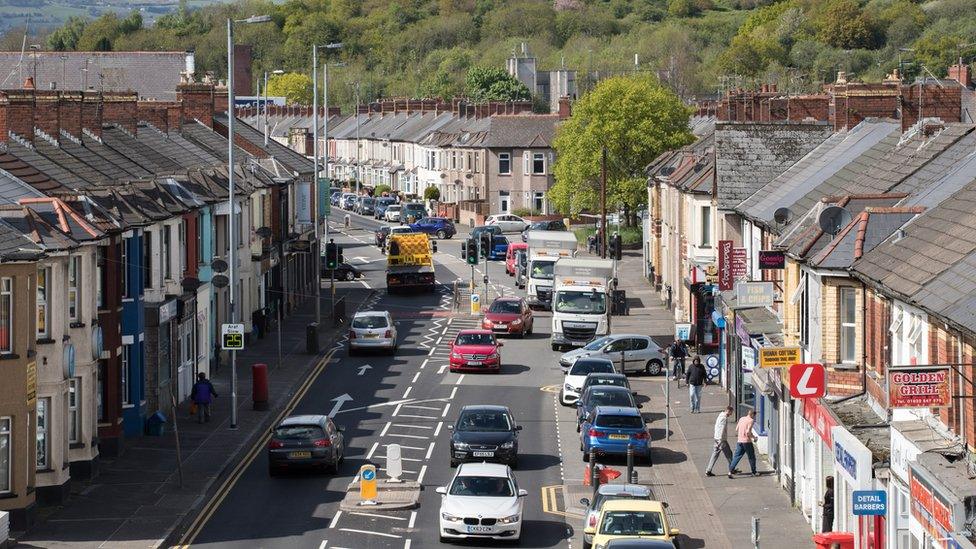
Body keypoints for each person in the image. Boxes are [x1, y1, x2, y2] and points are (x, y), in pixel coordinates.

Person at [705, 406, 736, 477]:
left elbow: (716, 427)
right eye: (731, 412)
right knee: (729, 454)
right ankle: (732, 469)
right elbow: (721, 429)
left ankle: (708, 470)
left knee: (715, 454)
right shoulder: (724, 418)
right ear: (728, 411)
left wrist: (716, 438)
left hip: (716, 438)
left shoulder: (720, 416)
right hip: (721, 440)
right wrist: (721, 440)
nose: (731, 414)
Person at [728, 409, 759, 478]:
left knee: (737, 456)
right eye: (754, 416)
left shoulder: (741, 418)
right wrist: (754, 438)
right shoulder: (751, 420)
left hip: (739, 441)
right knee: (751, 457)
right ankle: (754, 472)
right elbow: (748, 432)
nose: (754, 417)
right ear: (752, 415)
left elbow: (736, 429)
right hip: (747, 442)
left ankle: (730, 471)